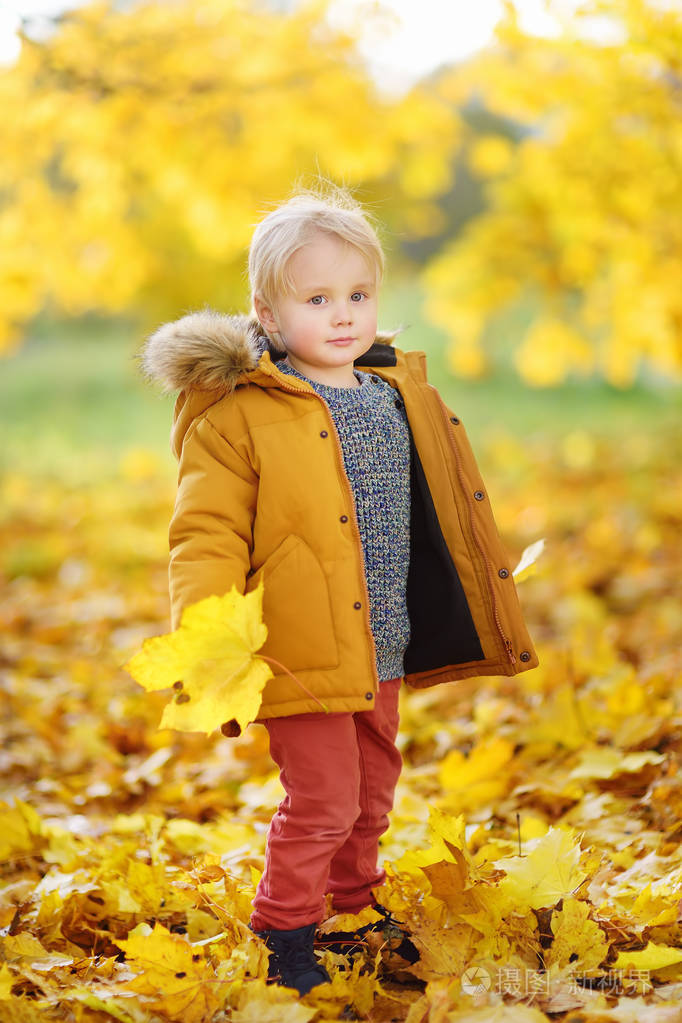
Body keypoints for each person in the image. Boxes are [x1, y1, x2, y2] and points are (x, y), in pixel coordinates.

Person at [141, 185, 538, 995]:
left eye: (358, 295)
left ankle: (353, 908)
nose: (344, 314)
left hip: (380, 638)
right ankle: (283, 927)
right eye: (317, 298)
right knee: (321, 797)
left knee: (371, 790)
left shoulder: (396, 392)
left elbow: (446, 507)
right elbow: (205, 534)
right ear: (267, 309)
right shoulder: (241, 413)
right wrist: (211, 642)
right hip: (298, 649)